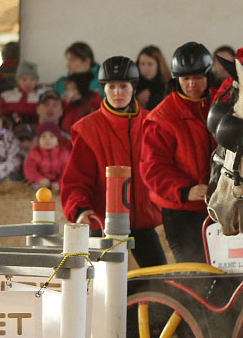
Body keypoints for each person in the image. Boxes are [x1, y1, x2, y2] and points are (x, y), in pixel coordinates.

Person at [61, 56, 165, 268]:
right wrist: (80, 209)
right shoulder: (88, 129)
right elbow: (76, 179)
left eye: (123, 86)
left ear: (133, 88)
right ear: (103, 89)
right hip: (103, 227)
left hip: (143, 224)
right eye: (112, 86)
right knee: (106, 292)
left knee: (160, 283)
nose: (118, 92)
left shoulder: (152, 123)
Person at [140, 42, 215, 264]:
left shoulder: (222, 105)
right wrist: (184, 190)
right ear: (176, 80)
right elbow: (152, 168)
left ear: (208, 76)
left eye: (198, 77)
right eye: (185, 78)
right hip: (183, 210)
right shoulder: (162, 117)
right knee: (196, 271)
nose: (192, 84)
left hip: (220, 206)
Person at [23, 122, 70, 193]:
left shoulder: (64, 153)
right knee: (33, 188)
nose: (47, 139)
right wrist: (39, 179)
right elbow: (29, 169)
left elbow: (66, 171)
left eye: (52, 136)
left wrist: (59, 183)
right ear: (38, 140)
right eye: (43, 136)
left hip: (57, 183)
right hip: (40, 183)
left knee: (67, 187)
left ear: (58, 140)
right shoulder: (34, 153)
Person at [0, 61, 45, 127]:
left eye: (32, 79)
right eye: (24, 79)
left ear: (36, 81)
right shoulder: (6, 96)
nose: (28, 83)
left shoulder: (42, 96)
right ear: (18, 80)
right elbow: (0, 116)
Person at [135, 45, 171, 110]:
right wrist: (137, 101)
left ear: (159, 66)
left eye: (150, 64)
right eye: (142, 64)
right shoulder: (132, 85)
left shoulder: (168, 86)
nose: (145, 68)